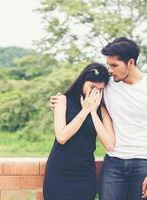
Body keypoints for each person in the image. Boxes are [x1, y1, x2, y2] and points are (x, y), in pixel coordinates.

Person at [50, 37, 147, 200]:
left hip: (145, 162)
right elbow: (84, 92)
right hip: (114, 162)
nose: (110, 70)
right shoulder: (108, 86)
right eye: (109, 64)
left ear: (130, 63)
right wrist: (59, 101)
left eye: (114, 65)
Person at [43, 63, 115, 200]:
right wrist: (85, 110)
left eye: (100, 90)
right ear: (82, 81)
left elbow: (110, 145)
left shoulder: (102, 109)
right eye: (92, 87)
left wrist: (93, 112)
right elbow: (62, 137)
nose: (94, 93)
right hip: (59, 170)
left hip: (85, 172)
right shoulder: (62, 100)